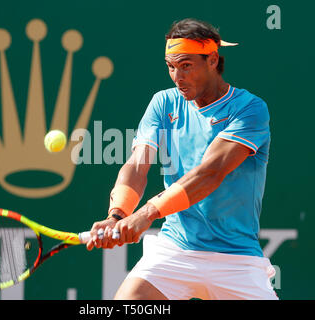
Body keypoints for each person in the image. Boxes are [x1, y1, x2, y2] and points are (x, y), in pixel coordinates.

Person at [86, 18, 278, 300]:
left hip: (236, 260)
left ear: (212, 60)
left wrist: (146, 214)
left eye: (186, 65)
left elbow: (209, 174)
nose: (177, 76)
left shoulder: (249, 109)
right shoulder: (164, 102)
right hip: (176, 248)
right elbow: (138, 164)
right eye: (171, 66)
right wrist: (118, 215)